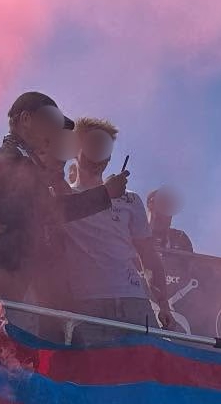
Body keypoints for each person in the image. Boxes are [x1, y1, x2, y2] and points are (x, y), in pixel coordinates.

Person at [0, 92, 127, 327]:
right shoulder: (8, 161)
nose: (55, 132)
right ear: (26, 119)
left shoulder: (26, 164)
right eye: (51, 122)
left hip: (10, 289)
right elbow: (43, 212)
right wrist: (105, 194)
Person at [59, 117, 176, 344]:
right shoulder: (65, 199)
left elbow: (149, 256)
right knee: (92, 375)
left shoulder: (131, 200)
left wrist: (163, 304)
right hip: (87, 305)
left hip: (134, 301)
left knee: (146, 370)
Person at [146, 187, 194, 253]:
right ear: (150, 206)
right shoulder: (134, 234)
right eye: (162, 205)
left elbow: (190, 261)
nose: (166, 215)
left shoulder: (180, 238)